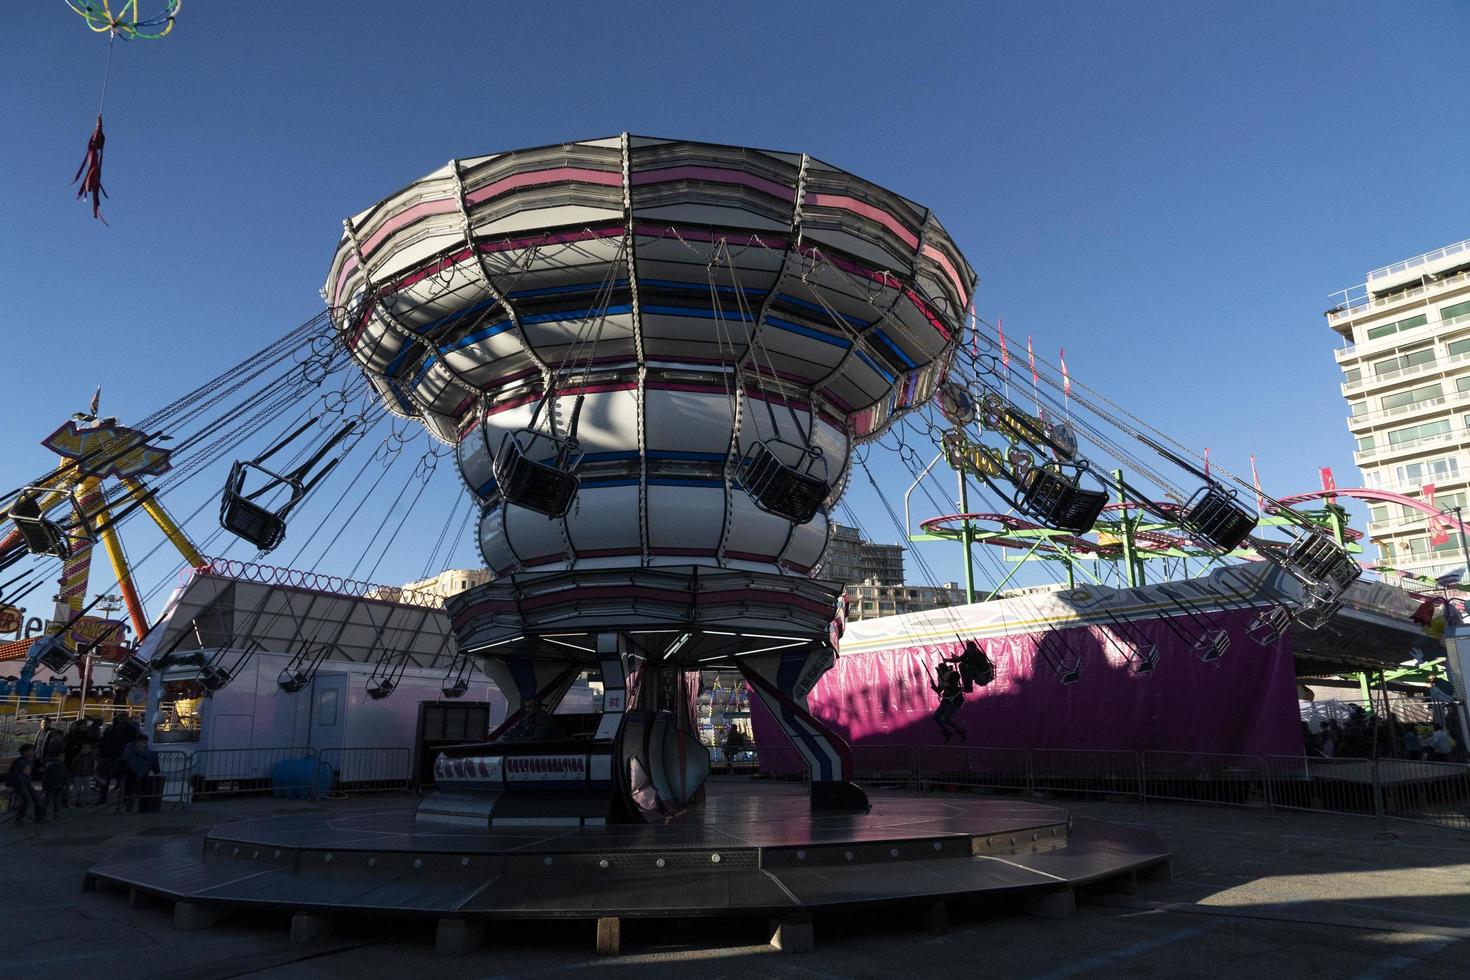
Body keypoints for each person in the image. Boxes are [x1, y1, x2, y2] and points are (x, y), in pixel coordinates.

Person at [117, 735, 159, 814]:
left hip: (138, 772)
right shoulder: (130, 747)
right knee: (127, 790)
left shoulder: (146, 749)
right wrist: (138, 751)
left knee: (132, 790)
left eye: (145, 742)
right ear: (138, 741)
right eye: (142, 742)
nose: (144, 744)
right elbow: (126, 757)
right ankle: (120, 806)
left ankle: (128, 808)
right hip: (129, 771)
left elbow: (148, 757)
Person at [6, 744, 44, 825]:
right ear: (24, 752)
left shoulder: (31, 760)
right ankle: (19, 818)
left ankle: (39, 818)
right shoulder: (18, 761)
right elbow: (11, 773)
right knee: (26, 800)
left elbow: (28, 772)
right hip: (19, 783)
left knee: (37, 799)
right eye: (31, 750)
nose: (33, 752)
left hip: (27, 782)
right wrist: (9, 785)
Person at [930, 662, 966, 743]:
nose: (938, 672)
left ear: (942, 670)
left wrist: (946, 683)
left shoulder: (952, 675)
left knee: (944, 719)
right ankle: (947, 733)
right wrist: (934, 686)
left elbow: (954, 683)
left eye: (939, 670)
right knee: (936, 717)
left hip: (955, 699)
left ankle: (961, 731)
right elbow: (939, 691)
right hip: (946, 699)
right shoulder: (941, 678)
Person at [41, 750, 68, 821]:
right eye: (61, 756)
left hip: (59, 786)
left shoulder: (64, 766)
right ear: (56, 757)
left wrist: (65, 784)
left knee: (57, 801)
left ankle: (56, 814)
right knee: (47, 801)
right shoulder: (50, 766)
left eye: (63, 756)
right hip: (50, 786)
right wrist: (44, 787)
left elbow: (66, 776)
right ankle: (44, 815)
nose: (63, 758)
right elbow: (45, 777)